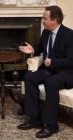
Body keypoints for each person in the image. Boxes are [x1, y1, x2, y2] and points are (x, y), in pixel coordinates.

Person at [17, 5, 73, 138]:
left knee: (50, 82)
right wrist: (33, 51)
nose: (42, 20)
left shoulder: (69, 35)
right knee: (29, 78)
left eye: (44, 18)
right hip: (50, 70)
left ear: (55, 20)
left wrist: (53, 62)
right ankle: (35, 118)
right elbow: (41, 47)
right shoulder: (46, 32)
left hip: (67, 73)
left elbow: (71, 60)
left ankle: (51, 125)